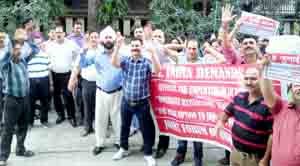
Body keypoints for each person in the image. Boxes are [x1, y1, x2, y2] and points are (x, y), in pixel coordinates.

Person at [111, 35, 160, 166]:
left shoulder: (146, 62)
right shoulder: (126, 61)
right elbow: (114, 63)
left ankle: (148, 154)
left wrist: (153, 53)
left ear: (141, 47)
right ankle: (124, 149)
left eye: (137, 46)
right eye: (133, 46)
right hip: (126, 102)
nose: (135, 48)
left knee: (146, 129)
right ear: (130, 48)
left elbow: (157, 70)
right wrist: (117, 47)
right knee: (124, 126)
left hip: (142, 103)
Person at [215, 67, 273, 166]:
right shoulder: (239, 97)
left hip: (254, 159)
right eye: (246, 78)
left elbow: (272, 136)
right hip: (235, 153)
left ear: (262, 80)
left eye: (253, 79)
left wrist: (265, 159)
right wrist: (221, 122)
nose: (249, 82)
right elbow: (227, 112)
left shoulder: (268, 105)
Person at [79, 27, 123, 154]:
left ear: (114, 39)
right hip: (101, 92)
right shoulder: (96, 55)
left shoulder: (122, 54)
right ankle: (99, 143)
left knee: (118, 119)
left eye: (110, 37)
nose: (108, 40)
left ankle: (119, 142)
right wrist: (82, 53)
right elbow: (84, 64)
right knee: (100, 118)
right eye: (106, 37)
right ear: (102, 40)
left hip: (118, 92)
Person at [0, 29, 39, 166]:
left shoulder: (23, 60)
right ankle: (3, 157)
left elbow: (35, 50)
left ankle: (20, 149)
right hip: (12, 99)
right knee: (8, 129)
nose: (18, 51)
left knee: (23, 126)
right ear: (11, 52)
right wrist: (11, 47)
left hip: (24, 98)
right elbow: (4, 59)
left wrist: (26, 39)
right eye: (15, 50)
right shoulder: (6, 64)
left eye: (19, 49)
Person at [259, 57, 300, 166]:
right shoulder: (281, 107)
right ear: (290, 90)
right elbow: (267, 92)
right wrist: (264, 69)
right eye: (296, 84)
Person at [46, 25, 80, 127]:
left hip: (67, 74)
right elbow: (47, 59)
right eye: (57, 33)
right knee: (56, 96)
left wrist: (74, 66)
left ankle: (71, 116)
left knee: (68, 95)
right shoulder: (50, 45)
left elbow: (79, 54)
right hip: (54, 74)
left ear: (64, 34)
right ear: (54, 34)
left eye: (60, 32)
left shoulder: (71, 44)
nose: (58, 34)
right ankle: (60, 115)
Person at [68, 31, 98, 137]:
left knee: (99, 107)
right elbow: (77, 67)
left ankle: (100, 129)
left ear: (98, 39)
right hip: (87, 83)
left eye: (96, 37)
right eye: (92, 37)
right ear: (89, 39)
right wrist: (72, 79)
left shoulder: (102, 51)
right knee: (87, 106)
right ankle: (88, 128)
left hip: (100, 84)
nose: (94, 39)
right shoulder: (84, 51)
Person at [27, 32, 51, 128]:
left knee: (44, 101)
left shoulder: (45, 55)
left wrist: (51, 83)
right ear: (32, 44)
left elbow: (48, 68)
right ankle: (30, 122)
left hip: (44, 80)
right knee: (30, 102)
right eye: (36, 43)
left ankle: (44, 120)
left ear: (42, 43)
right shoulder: (28, 55)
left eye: (39, 43)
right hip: (31, 80)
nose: (38, 45)